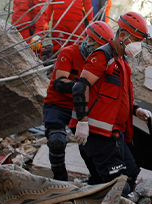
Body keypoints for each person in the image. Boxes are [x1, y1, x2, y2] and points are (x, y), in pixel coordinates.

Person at [71, 12, 150, 194]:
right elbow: (79, 88)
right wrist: (82, 122)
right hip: (98, 134)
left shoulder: (123, 62)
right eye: (136, 39)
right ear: (122, 35)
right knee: (119, 186)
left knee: (131, 172)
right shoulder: (103, 56)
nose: (138, 45)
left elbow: (121, 97)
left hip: (114, 134)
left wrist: (136, 110)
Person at [43, 21, 111, 182]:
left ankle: (96, 180)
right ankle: (60, 180)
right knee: (57, 141)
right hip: (57, 104)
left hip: (80, 107)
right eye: (94, 44)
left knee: (89, 145)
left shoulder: (101, 62)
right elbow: (60, 82)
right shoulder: (68, 53)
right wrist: (80, 87)